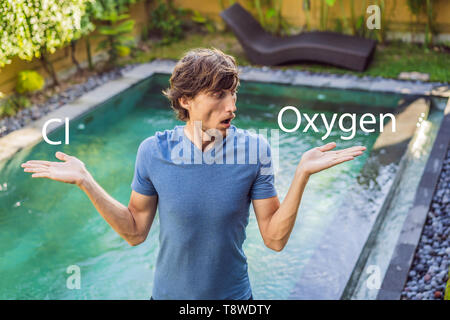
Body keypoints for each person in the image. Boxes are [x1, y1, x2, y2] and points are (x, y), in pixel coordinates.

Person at [21, 48, 366, 300]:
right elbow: (135, 231)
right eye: (218, 95)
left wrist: (301, 175)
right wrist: (86, 181)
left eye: (233, 93)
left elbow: (274, 240)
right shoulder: (153, 152)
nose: (232, 105)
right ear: (185, 100)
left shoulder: (255, 151)